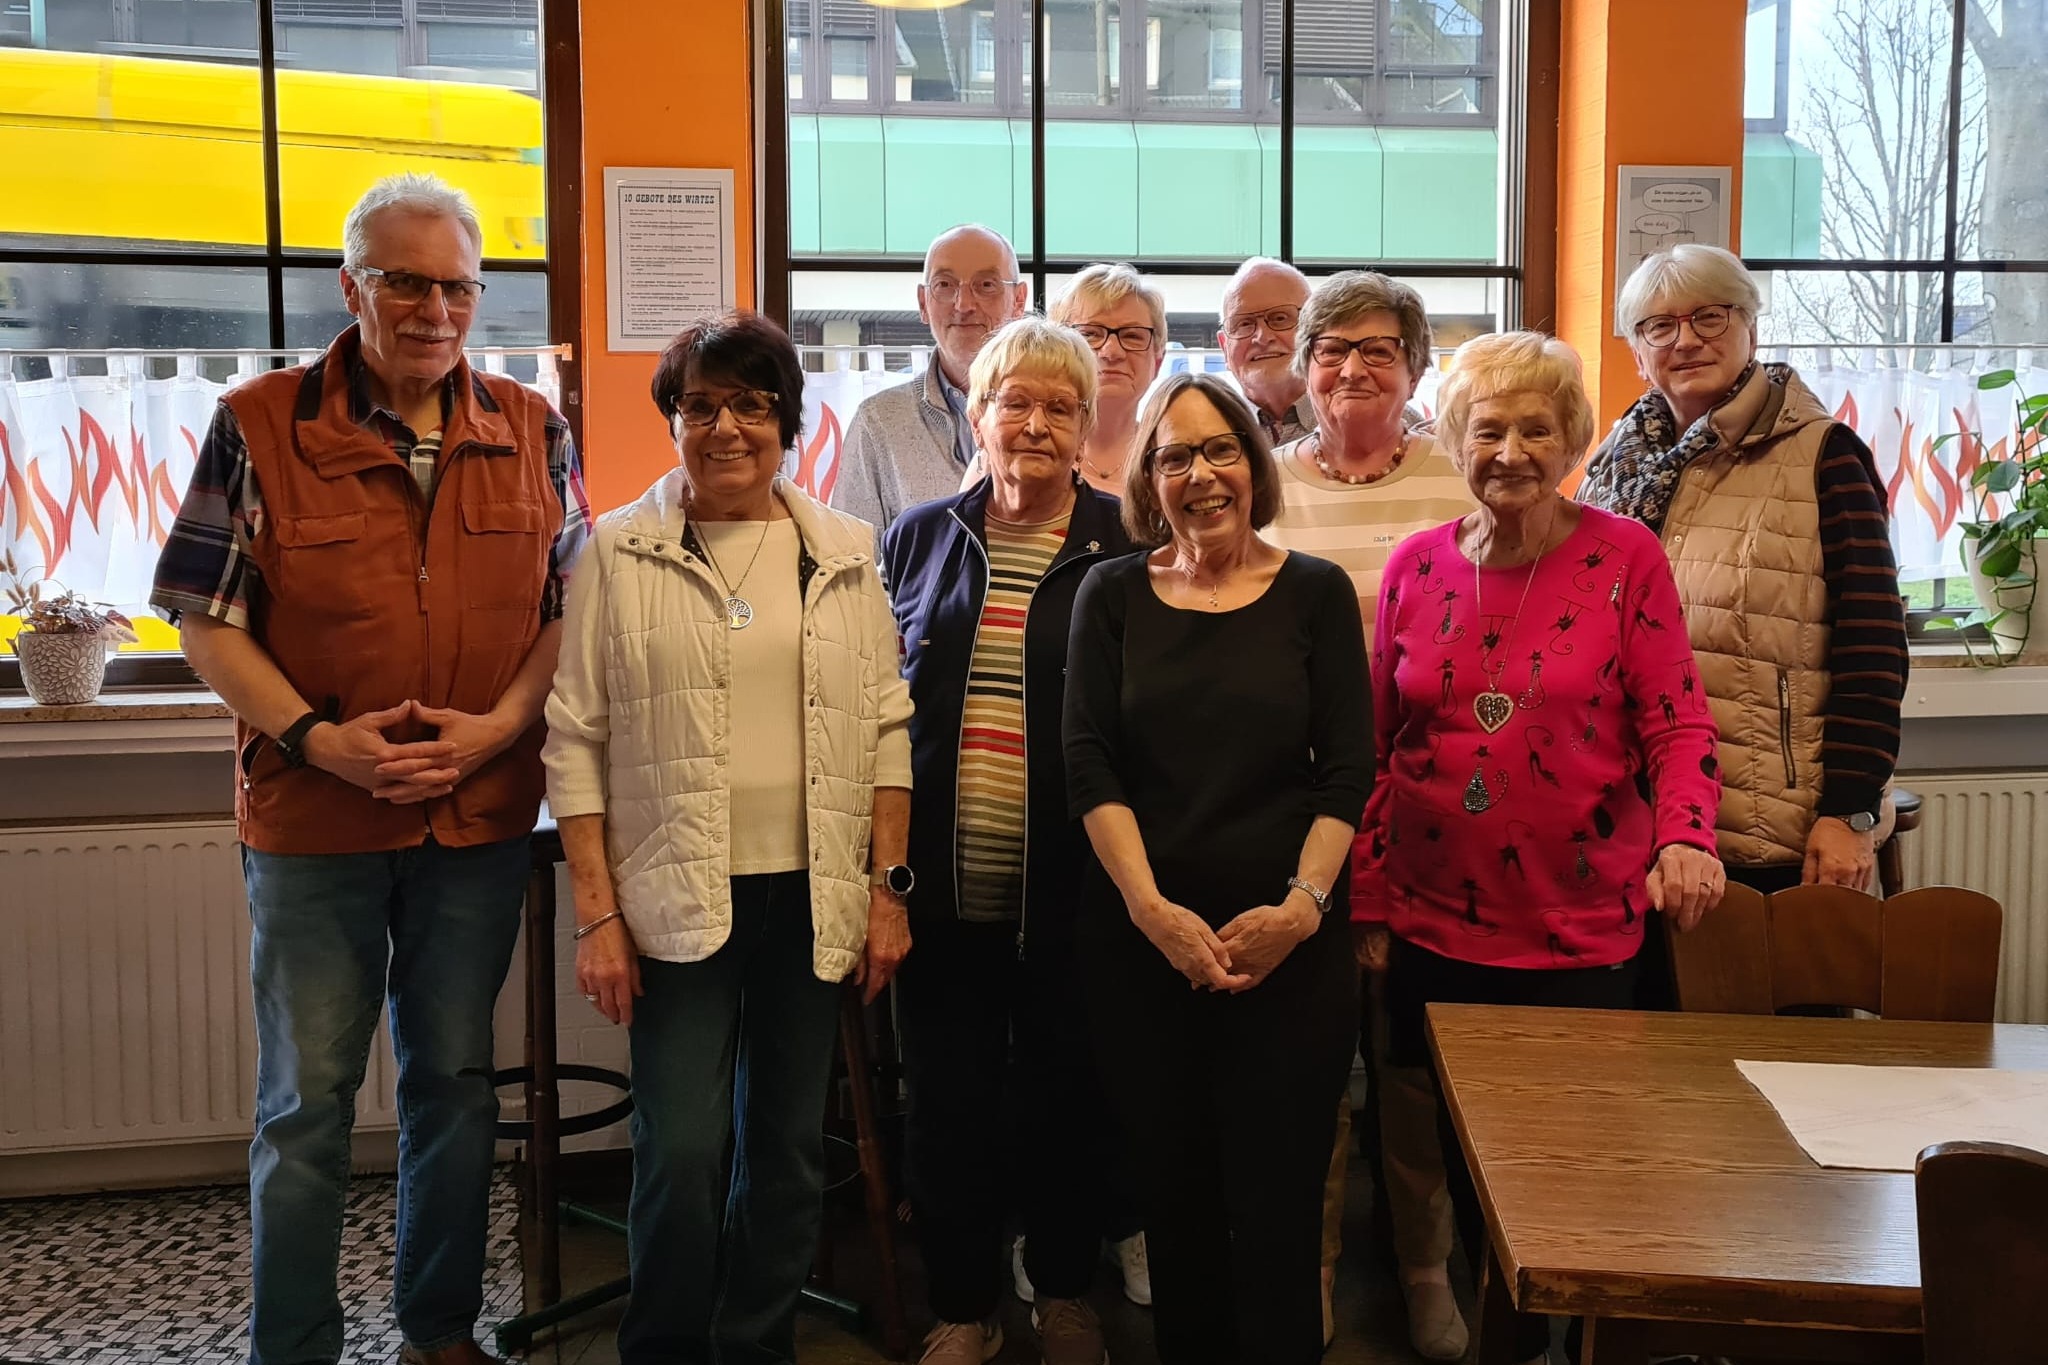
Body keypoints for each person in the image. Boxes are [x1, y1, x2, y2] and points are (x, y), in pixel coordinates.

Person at [149, 173, 587, 1365]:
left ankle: (439, 1331)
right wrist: (317, 739)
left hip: (479, 818)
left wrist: (499, 730)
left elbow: (570, 610)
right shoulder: (258, 421)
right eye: (407, 281)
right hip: (312, 824)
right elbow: (203, 618)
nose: (436, 308)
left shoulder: (534, 428)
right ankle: (292, 1345)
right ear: (354, 287)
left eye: (457, 285)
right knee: (306, 1108)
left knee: (454, 1089)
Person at [543, 311, 914, 1365]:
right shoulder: (618, 549)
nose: (726, 428)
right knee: (682, 1148)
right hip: (671, 899)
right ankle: (661, 1345)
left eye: (752, 404)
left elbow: (886, 722)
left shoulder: (841, 549)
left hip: (811, 896)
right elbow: (573, 737)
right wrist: (596, 916)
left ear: (785, 421)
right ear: (672, 420)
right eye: (700, 405)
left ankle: (756, 1342)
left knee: (790, 1148)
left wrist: (888, 891)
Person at [1358, 331, 1726, 1365]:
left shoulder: (1623, 558)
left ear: (1571, 438)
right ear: (1451, 440)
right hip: (1437, 925)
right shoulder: (1413, 565)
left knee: (1591, 1173)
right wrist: (1370, 906)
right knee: (1474, 1175)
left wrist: (1686, 839)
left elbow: (1677, 723)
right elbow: (1380, 751)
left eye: (1535, 428)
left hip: (1584, 931)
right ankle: (1510, 1346)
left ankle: (1589, 1346)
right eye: (1488, 428)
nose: (1511, 449)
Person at [1065, 372, 1373, 1365]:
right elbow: (1088, 763)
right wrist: (1151, 912)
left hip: (1290, 951)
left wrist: (1298, 910)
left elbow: (1347, 772)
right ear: (1148, 480)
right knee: (1176, 1203)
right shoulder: (1109, 595)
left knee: (1280, 1213)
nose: (1198, 475)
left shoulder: (1314, 594)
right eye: (1172, 456)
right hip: (1145, 950)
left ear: (1252, 462)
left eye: (1218, 450)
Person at [882, 316, 1141, 1365]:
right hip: (939, 893)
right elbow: (879, 718)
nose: (1032, 423)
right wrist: (883, 882)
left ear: (1084, 427)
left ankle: (1067, 1292)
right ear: (974, 417)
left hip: (1075, 896)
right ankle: (961, 1306)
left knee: (1064, 1101)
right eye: (1011, 403)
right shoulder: (918, 537)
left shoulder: (1124, 547)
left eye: (1058, 406)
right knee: (944, 1107)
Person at [1262, 269, 1474, 1359]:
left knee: (1404, 1065)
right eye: (1331, 348)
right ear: (1299, 370)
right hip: (1286, 817)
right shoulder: (1261, 483)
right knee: (1302, 1065)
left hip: (1427, 817)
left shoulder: (1460, 482)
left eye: (1378, 349)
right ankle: (1308, 1270)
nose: (1352, 368)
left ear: (1416, 365)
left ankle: (1425, 1267)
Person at [1580, 244, 1908, 903]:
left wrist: (1849, 810)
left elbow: (1871, 647)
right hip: (1627, 815)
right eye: (1659, 325)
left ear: (1751, 328)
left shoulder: (1824, 456)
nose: (1687, 340)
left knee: (1763, 1008)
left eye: (1710, 317)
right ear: (1636, 350)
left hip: (1767, 824)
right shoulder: (1610, 465)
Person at [833, 224, 1028, 533]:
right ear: (923, 303)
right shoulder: (878, 422)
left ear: (1019, 300)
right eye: (945, 285)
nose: (963, 304)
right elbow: (848, 564)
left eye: (986, 285)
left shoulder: (1055, 416)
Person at [1050, 263, 1169, 495]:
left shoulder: (1178, 462)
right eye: (1090, 334)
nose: (1111, 352)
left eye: (1133, 335)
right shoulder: (1015, 454)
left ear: (1158, 361)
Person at [1218, 256, 1315, 447]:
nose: (1262, 337)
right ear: (1224, 347)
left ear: (1314, 330)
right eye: (1244, 324)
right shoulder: (1207, 431)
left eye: (1279, 318)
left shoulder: (1352, 424)